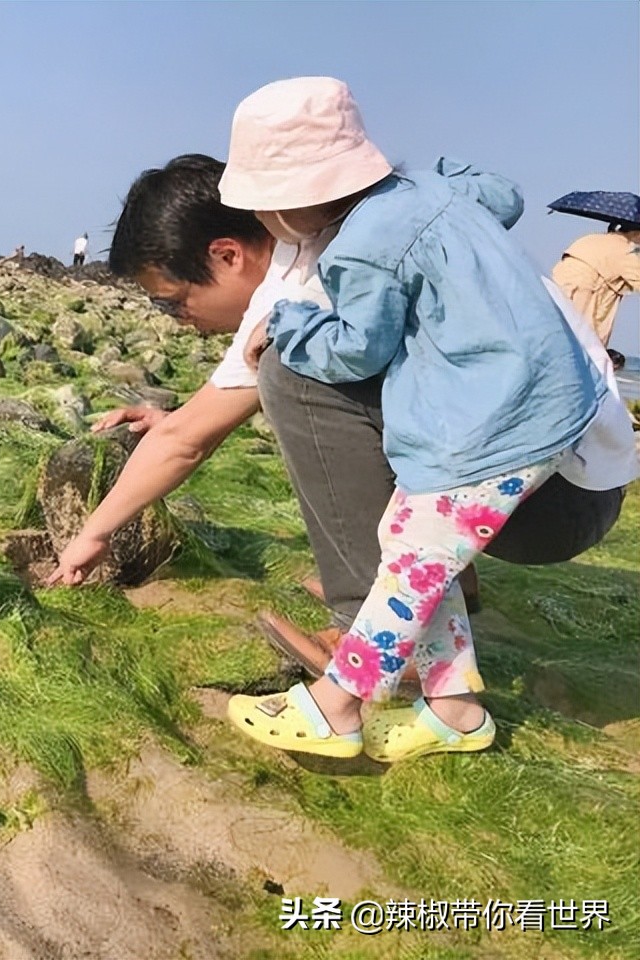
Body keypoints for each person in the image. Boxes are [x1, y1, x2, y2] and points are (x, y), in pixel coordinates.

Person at [46, 144, 635, 761]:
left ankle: (364, 652)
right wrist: (178, 418)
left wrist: (93, 533)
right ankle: (450, 676)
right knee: (311, 380)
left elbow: (189, 440)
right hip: (565, 471)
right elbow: (191, 424)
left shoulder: (328, 272)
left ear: (227, 253)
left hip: (544, 486)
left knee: (290, 374)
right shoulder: (373, 225)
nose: (176, 320)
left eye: (172, 300)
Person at [212, 76, 630, 761]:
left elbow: (355, 350)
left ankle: (336, 705)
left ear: (295, 202)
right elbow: (506, 196)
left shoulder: (360, 248)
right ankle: (455, 711)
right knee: (413, 543)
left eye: (263, 211)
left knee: (410, 564)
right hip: (553, 404)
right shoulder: (439, 194)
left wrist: (289, 321)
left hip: (498, 422)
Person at [551, 221, 640, 349]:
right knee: (584, 346)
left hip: (558, 286)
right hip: (585, 292)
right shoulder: (624, 249)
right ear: (635, 233)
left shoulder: (588, 239)